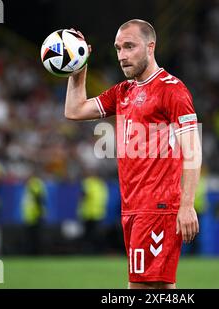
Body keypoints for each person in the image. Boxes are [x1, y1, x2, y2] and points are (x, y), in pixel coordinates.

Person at [64, 19, 202, 289]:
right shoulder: (123, 91)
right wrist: (78, 67)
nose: (122, 56)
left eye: (129, 47)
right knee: (158, 288)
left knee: (140, 288)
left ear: (151, 47)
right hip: (133, 208)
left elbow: (193, 150)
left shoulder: (171, 89)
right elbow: (74, 110)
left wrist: (186, 205)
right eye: (118, 48)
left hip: (157, 207)